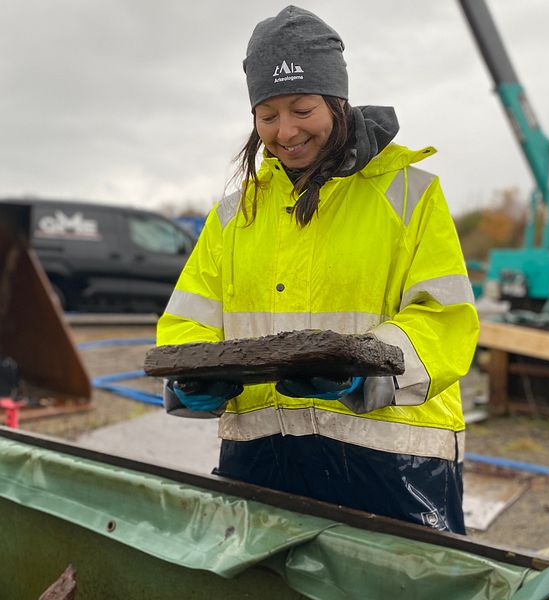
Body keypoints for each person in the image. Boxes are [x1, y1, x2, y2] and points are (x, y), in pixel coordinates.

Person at [156, 5, 479, 534]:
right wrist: (190, 374)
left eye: (302, 108)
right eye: (267, 114)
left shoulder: (410, 195)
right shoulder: (236, 214)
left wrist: (361, 366)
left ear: (337, 101)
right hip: (262, 460)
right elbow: (188, 320)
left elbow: (444, 321)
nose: (285, 131)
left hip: (391, 465)